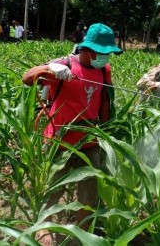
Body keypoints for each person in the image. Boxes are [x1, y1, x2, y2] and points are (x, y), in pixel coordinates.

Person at [22, 23, 121, 245]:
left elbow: (104, 100)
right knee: (54, 189)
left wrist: (105, 133)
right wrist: (48, 69)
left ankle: (82, 234)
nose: (106, 57)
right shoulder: (64, 65)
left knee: (89, 192)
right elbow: (27, 78)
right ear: (88, 49)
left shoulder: (104, 70)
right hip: (60, 140)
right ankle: (44, 229)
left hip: (90, 139)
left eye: (109, 53)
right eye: (102, 52)